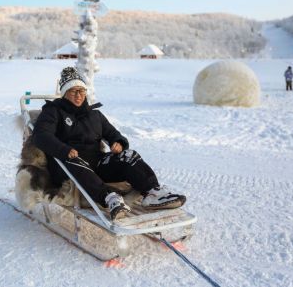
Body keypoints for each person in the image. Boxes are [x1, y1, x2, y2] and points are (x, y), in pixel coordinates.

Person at [31, 67, 186, 220]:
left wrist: (118, 142)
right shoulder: (53, 111)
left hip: (96, 163)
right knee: (75, 161)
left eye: (82, 90)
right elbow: (40, 136)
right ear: (64, 93)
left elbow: (114, 134)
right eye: (73, 91)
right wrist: (64, 150)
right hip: (67, 163)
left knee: (129, 155)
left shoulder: (95, 115)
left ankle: (152, 192)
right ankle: (110, 198)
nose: (78, 95)